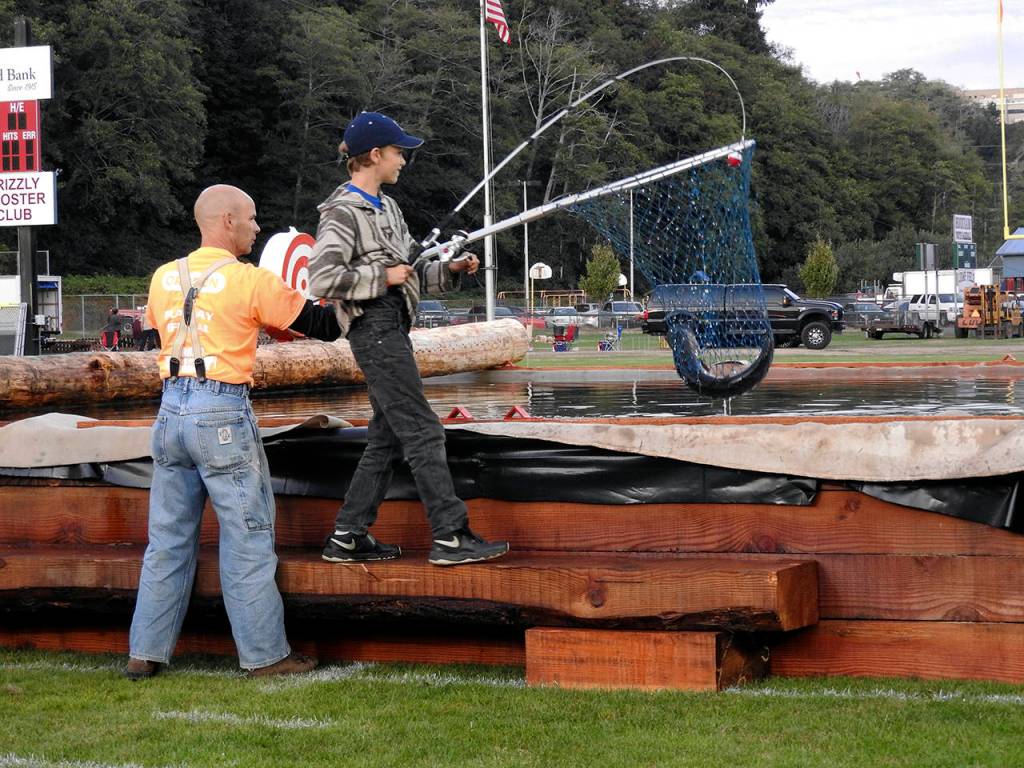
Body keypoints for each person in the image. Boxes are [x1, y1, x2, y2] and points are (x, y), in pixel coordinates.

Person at [126, 184, 342, 680]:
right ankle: (266, 655)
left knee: (166, 539)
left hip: (169, 413)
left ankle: (146, 651)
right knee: (248, 536)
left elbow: (162, 328)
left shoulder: (164, 277)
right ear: (226, 221)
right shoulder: (250, 280)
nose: (257, 226)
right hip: (221, 413)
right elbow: (323, 326)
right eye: (251, 218)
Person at [309, 111, 509, 567]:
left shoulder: (389, 208)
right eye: (399, 152)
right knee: (422, 429)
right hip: (373, 331)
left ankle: (346, 536)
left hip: (394, 328)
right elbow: (321, 278)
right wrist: (382, 275)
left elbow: (410, 274)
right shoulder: (342, 211)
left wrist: (450, 270)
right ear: (374, 155)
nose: (403, 160)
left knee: (387, 437)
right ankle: (450, 536)